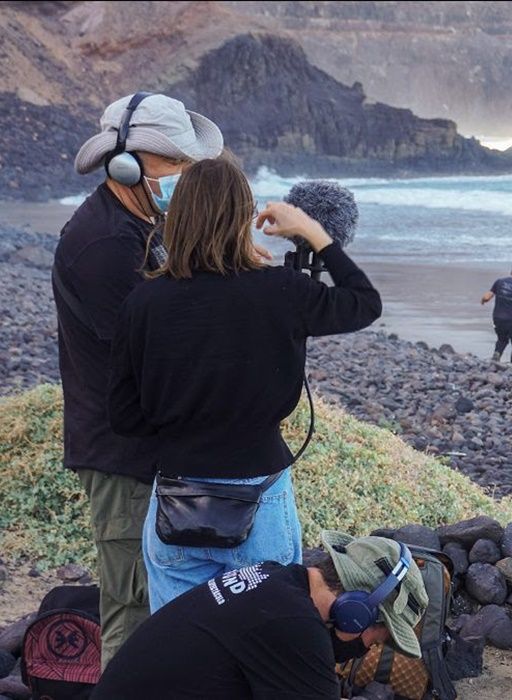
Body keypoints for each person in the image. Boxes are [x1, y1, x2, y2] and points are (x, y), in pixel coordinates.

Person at [107, 158, 382, 610]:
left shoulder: (143, 301)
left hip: (176, 494)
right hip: (259, 491)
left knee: (182, 645)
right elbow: (364, 303)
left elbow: (124, 417)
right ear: (242, 219)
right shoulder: (281, 289)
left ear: (177, 218)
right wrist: (314, 233)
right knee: (263, 640)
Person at [53, 92, 224, 666]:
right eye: (178, 166)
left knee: (173, 601)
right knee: (133, 602)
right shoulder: (105, 245)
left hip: (156, 445)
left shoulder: (144, 223)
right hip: (122, 453)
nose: (187, 178)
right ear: (127, 164)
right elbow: (155, 354)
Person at [93, 530, 428, 699]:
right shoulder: (295, 627)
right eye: (377, 638)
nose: (369, 649)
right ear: (358, 612)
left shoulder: (277, 580)